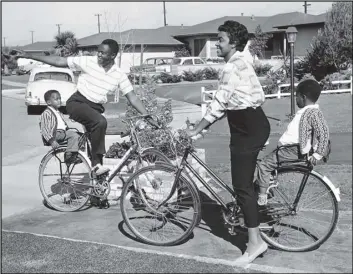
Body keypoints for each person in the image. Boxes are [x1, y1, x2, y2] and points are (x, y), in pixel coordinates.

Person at [185, 20, 270, 265]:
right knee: (243, 185)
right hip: (252, 124)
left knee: (241, 187)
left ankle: (255, 244)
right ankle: (250, 215)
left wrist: (197, 129)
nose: (216, 43)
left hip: (247, 129)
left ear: (233, 43)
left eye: (220, 39)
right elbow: (244, 99)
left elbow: (219, 103)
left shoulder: (232, 67)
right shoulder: (243, 60)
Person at [14, 39, 158, 175]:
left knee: (96, 151)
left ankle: (97, 193)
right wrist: (29, 55)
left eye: (103, 53)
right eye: (98, 51)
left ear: (113, 55)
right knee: (100, 122)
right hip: (77, 103)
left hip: (94, 109)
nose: (99, 55)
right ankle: (96, 167)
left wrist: (147, 115)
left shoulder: (119, 75)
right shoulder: (88, 61)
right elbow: (59, 60)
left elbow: (132, 97)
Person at [254, 78, 330, 205]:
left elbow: (324, 132)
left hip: (291, 151)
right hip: (287, 150)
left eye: (296, 96)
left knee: (263, 166)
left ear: (303, 97)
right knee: (269, 164)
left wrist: (318, 154)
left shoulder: (312, 113)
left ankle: (262, 196)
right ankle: (268, 186)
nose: (296, 100)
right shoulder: (308, 112)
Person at [40, 90, 81, 164]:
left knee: (80, 136)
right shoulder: (46, 113)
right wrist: (52, 141)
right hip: (55, 135)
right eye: (56, 99)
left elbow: (63, 125)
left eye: (60, 99)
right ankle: (69, 156)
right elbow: (44, 129)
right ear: (49, 102)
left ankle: (76, 154)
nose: (59, 101)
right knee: (74, 135)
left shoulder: (58, 112)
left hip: (62, 133)